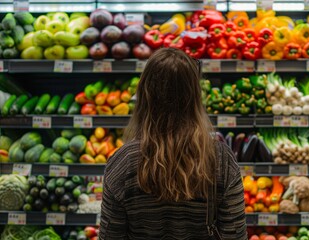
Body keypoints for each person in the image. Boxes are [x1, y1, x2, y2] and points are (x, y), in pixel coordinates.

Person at [99, 48, 247, 240]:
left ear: (145, 95)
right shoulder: (220, 159)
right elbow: (235, 234)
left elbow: (110, 236)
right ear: (195, 97)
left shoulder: (122, 161)